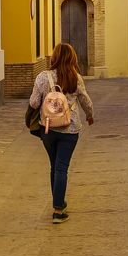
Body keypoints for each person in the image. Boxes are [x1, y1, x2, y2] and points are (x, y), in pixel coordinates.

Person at [29, 42, 94, 224]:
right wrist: (90, 116)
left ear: (54, 57)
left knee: (55, 166)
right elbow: (85, 101)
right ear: (72, 57)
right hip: (70, 128)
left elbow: (34, 103)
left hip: (48, 128)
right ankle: (58, 209)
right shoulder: (75, 77)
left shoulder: (42, 77)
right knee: (61, 167)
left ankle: (59, 203)